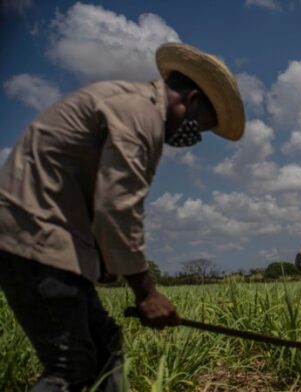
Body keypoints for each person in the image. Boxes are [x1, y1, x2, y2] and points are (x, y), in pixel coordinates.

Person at [0, 42, 245, 391]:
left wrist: (103, 264)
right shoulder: (139, 114)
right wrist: (146, 292)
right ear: (189, 100)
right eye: (199, 125)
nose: (193, 136)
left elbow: (95, 195)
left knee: (106, 347)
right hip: (36, 240)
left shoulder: (129, 103)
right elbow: (117, 205)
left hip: (49, 241)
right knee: (71, 366)